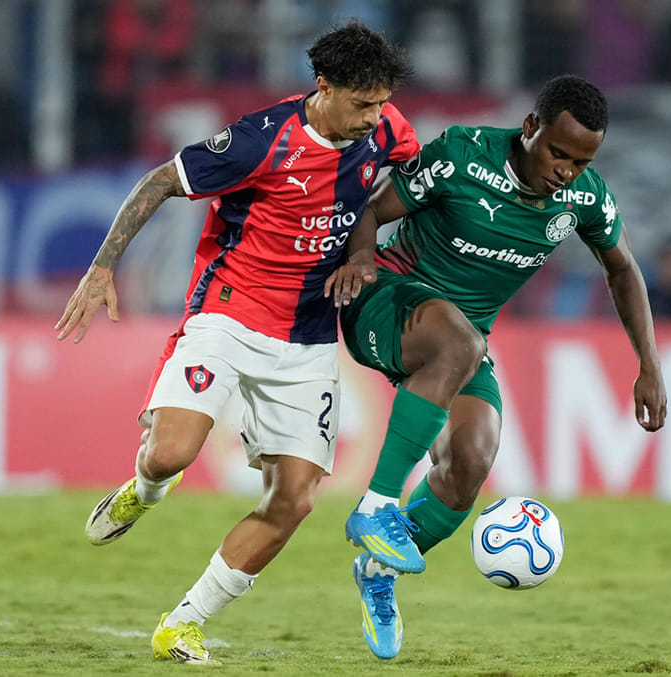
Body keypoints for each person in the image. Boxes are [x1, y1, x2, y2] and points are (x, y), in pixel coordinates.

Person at [55, 20, 418, 663]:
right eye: (362, 104)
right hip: (228, 315)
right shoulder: (260, 140)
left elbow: (405, 186)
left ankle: (183, 623)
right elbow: (161, 181)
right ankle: (145, 490)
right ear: (324, 86)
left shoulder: (386, 130)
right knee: (171, 454)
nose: (375, 117)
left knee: (295, 498)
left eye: (382, 102)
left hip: (307, 338)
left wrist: (370, 254)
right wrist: (101, 266)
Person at [324, 74, 667, 659]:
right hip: (385, 301)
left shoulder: (583, 199)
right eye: (559, 152)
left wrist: (649, 365)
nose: (567, 170)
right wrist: (359, 259)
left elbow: (623, 269)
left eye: (581, 161)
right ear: (531, 127)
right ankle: (377, 506)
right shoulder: (463, 154)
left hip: (460, 342)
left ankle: (378, 575)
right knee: (462, 344)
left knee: (469, 465)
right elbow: (371, 209)